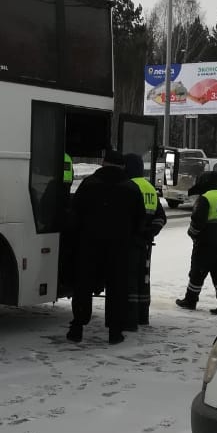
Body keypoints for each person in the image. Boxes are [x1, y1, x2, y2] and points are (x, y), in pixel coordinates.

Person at [67, 147, 146, 345]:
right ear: (122, 166)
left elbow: (74, 214)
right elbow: (140, 220)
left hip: (89, 244)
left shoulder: (89, 184)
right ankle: (114, 332)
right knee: (117, 288)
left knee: (83, 286)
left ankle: (77, 327)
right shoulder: (130, 188)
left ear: (104, 163)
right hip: (119, 247)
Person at [175, 170, 217, 315]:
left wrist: (192, 233)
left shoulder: (205, 197)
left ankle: (190, 300)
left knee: (197, 271)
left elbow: (198, 220)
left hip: (205, 241)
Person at [123, 152, 166, 327]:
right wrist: (150, 233)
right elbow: (160, 217)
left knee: (129, 281)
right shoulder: (149, 187)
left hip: (129, 242)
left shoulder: (129, 186)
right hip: (145, 243)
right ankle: (142, 316)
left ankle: (130, 319)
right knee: (143, 280)